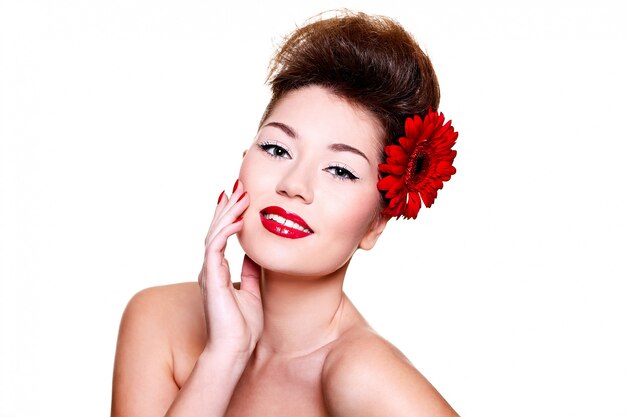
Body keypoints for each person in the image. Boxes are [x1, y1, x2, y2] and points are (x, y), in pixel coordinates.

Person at [111, 10, 459, 417]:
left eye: (340, 170)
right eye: (277, 149)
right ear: (245, 160)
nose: (294, 185)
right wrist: (224, 356)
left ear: (376, 223)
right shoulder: (158, 319)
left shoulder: (366, 377)